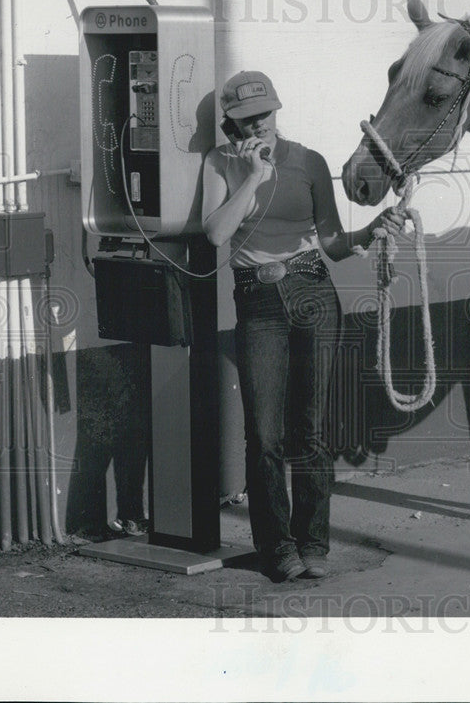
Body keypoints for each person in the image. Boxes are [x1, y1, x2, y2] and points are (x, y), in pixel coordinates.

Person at [202, 71, 404, 581]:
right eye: (246, 120)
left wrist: (374, 229)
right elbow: (215, 233)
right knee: (264, 432)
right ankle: (278, 548)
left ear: (277, 112)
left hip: (313, 291)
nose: (258, 127)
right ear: (229, 123)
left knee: (309, 426)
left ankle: (315, 543)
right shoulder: (220, 163)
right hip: (259, 300)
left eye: (264, 116)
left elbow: (333, 242)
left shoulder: (309, 162)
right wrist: (251, 176)